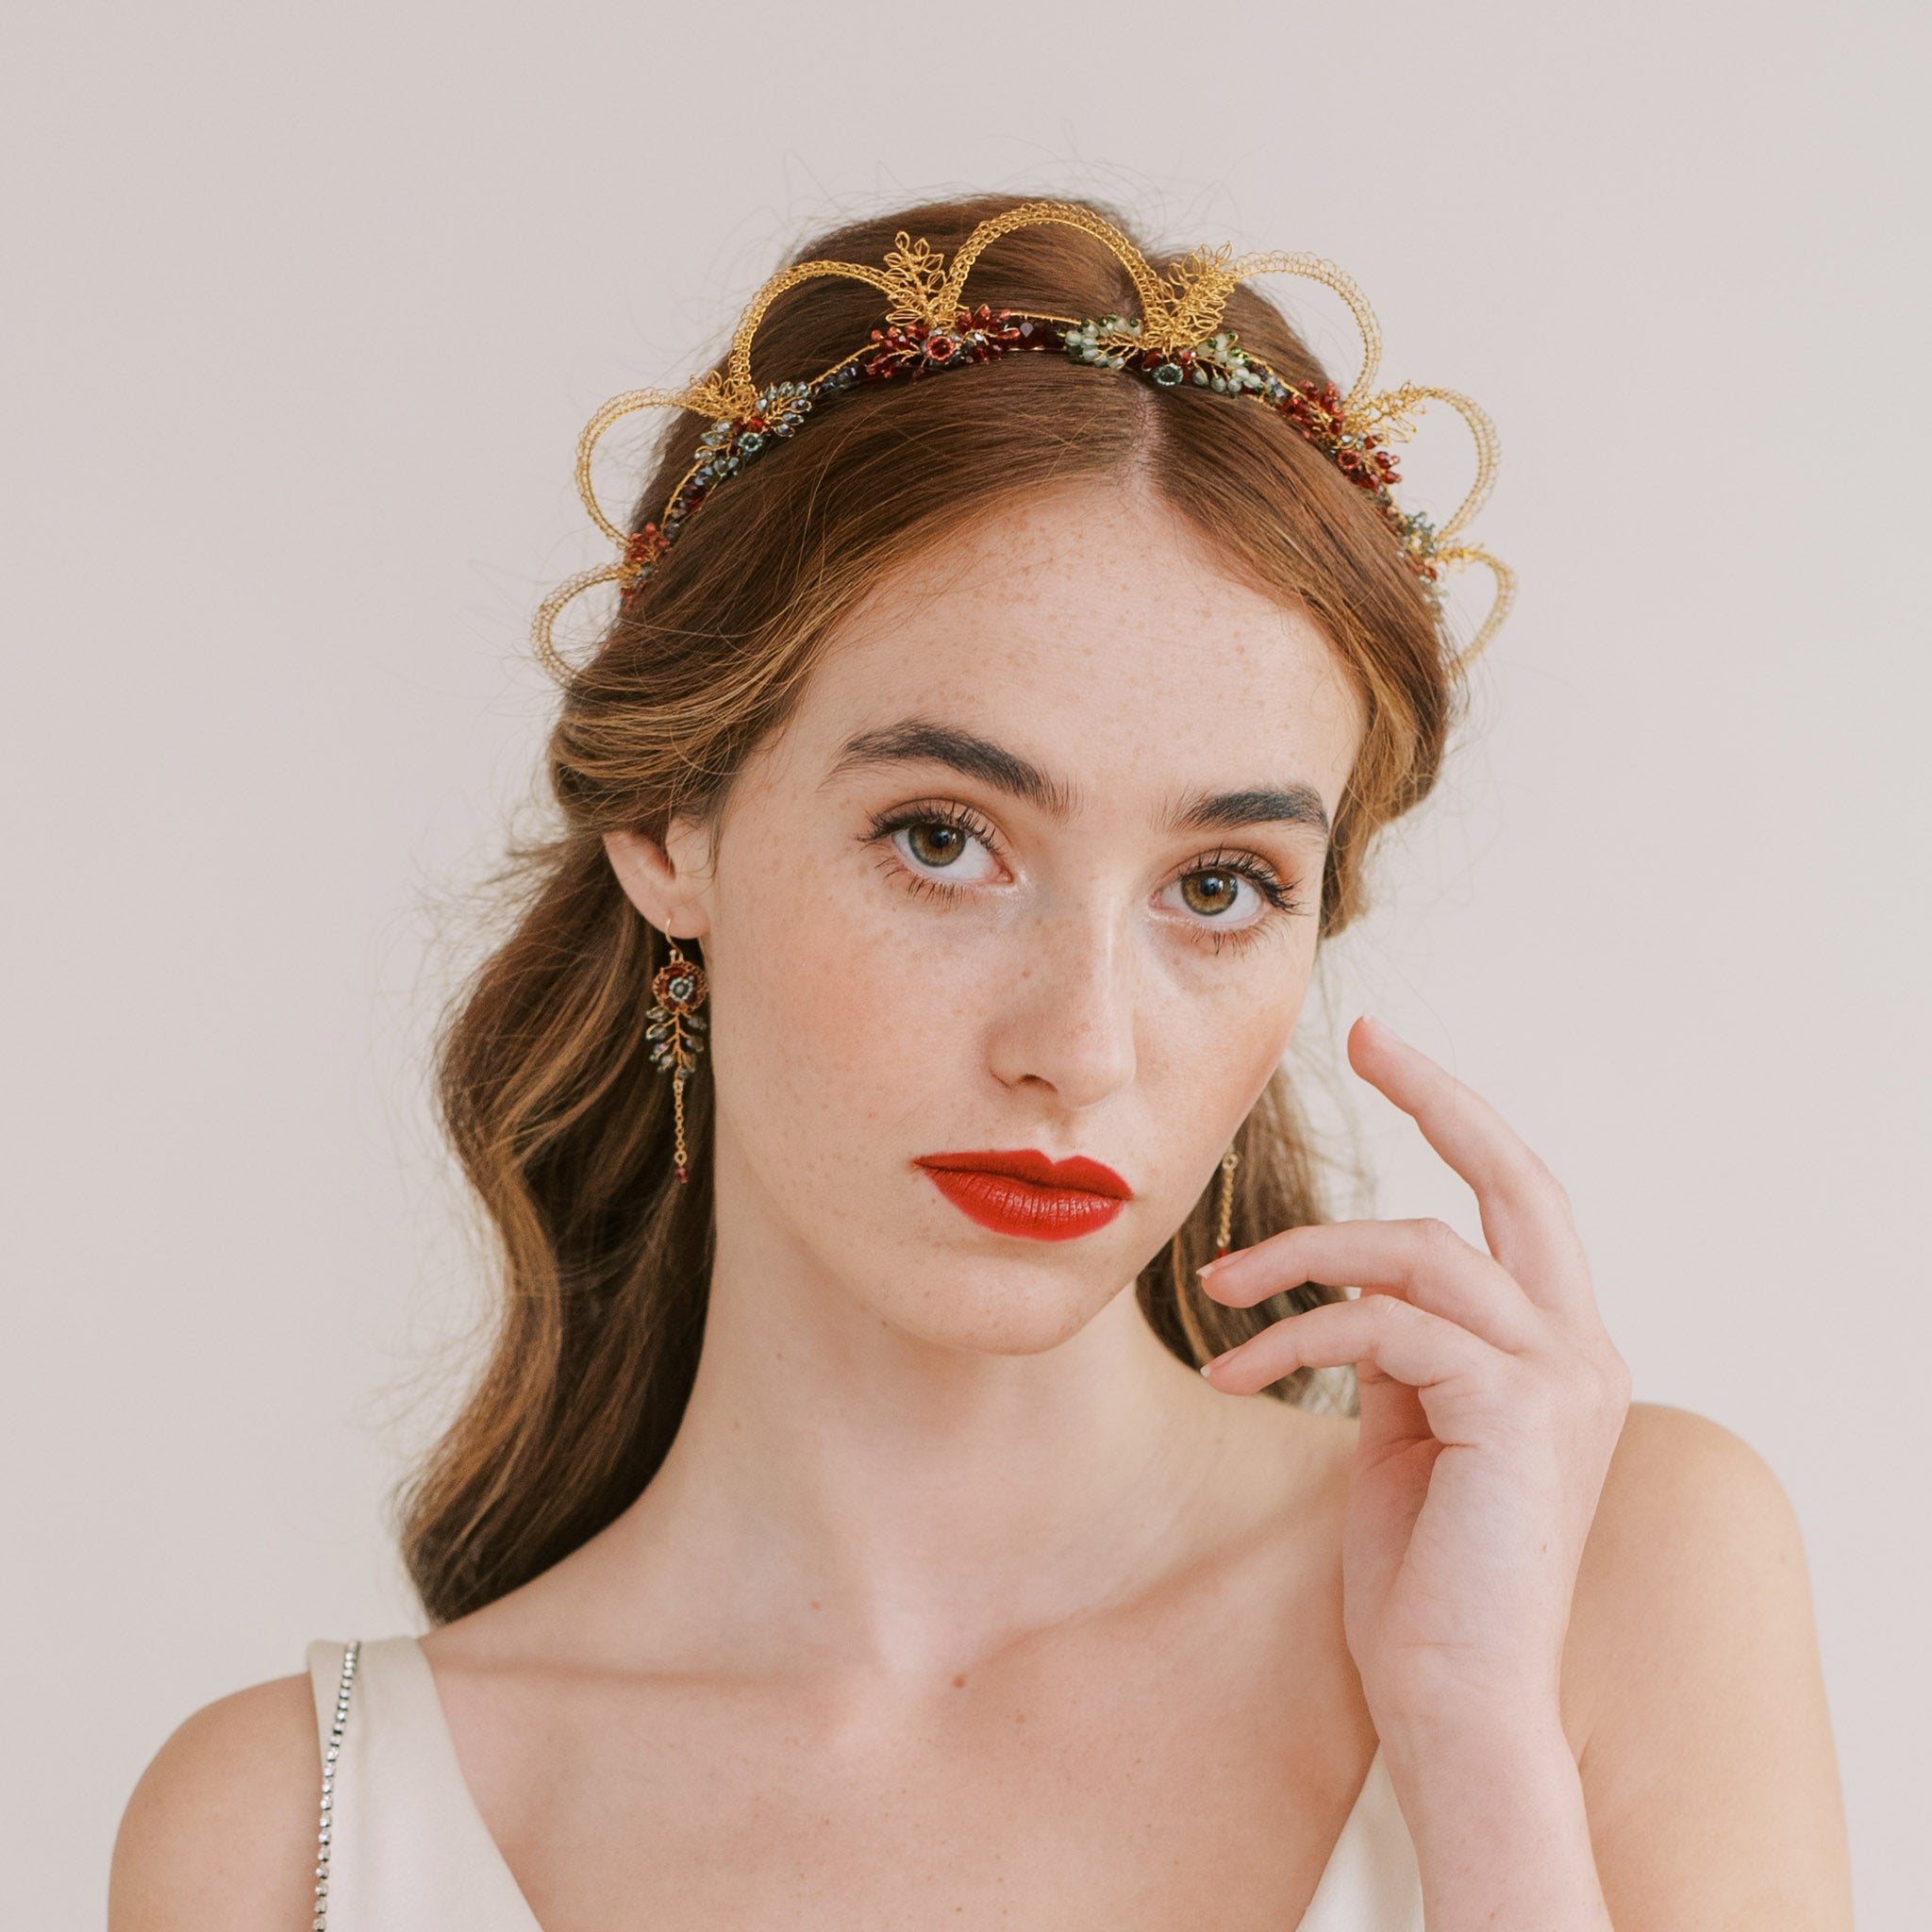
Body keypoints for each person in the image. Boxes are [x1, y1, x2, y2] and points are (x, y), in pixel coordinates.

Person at [108, 194, 1853, 1931]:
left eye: (1220, 886)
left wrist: (1475, 1754)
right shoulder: (290, 1841)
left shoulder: (1611, 1584)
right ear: (670, 819)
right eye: (944, 839)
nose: (1081, 1047)